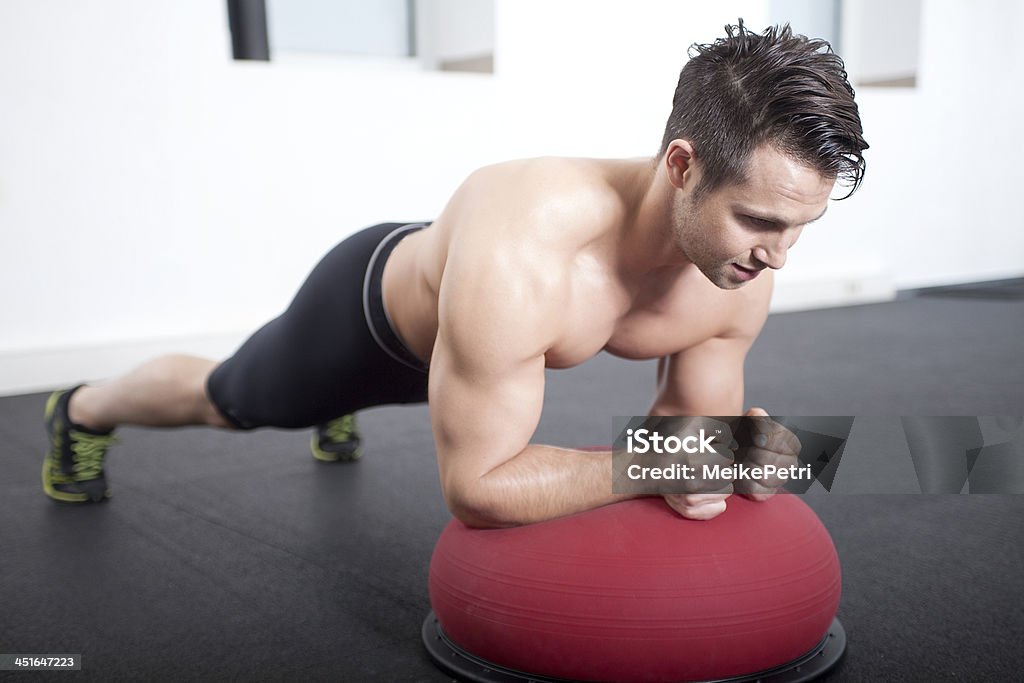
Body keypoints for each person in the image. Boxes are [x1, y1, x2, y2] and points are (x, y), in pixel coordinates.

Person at [42, 21, 867, 526]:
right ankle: (82, 408)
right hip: (372, 323)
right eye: (760, 221)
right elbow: (478, 487)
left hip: (475, 350)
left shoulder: (741, 269)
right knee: (234, 400)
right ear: (682, 165)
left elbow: (690, 447)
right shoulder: (528, 244)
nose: (777, 257)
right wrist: (665, 464)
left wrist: (732, 459)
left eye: (801, 228)